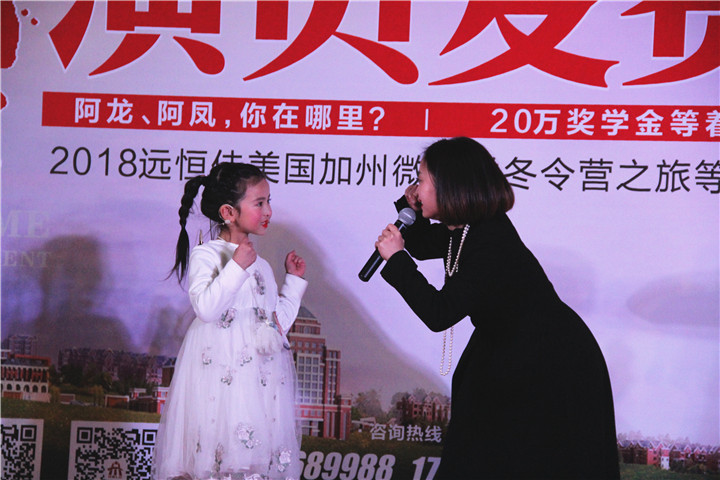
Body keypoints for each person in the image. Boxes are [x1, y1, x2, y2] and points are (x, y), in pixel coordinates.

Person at [374, 137, 619, 479]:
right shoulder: (467, 228)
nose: (416, 187)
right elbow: (421, 243)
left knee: (526, 456)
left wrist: (398, 260)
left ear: (450, 187)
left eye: (421, 181)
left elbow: (439, 312)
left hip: (548, 362)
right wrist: (409, 206)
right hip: (510, 350)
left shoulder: (489, 240)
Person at [154, 162, 308, 480]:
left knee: (250, 465)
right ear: (228, 212)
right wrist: (236, 266)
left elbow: (276, 327)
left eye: (268, 201)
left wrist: (293, 282)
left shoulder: (261, 265)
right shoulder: (208, 255)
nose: (268, 211)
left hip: (257, 382)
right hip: (218, 380)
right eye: (259, 203)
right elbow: (206, 309)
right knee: (214, 463)